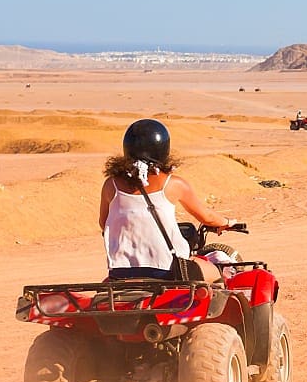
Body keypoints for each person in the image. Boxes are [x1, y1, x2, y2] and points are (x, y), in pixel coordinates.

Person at [99, 119, 233, 280]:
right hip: (168, 270)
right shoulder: (174, 184)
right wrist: (226, 221)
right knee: (217, 274)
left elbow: (103, 222)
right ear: (164, 150)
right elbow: (207, 217)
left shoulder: (110, 185)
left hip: (120, 273)